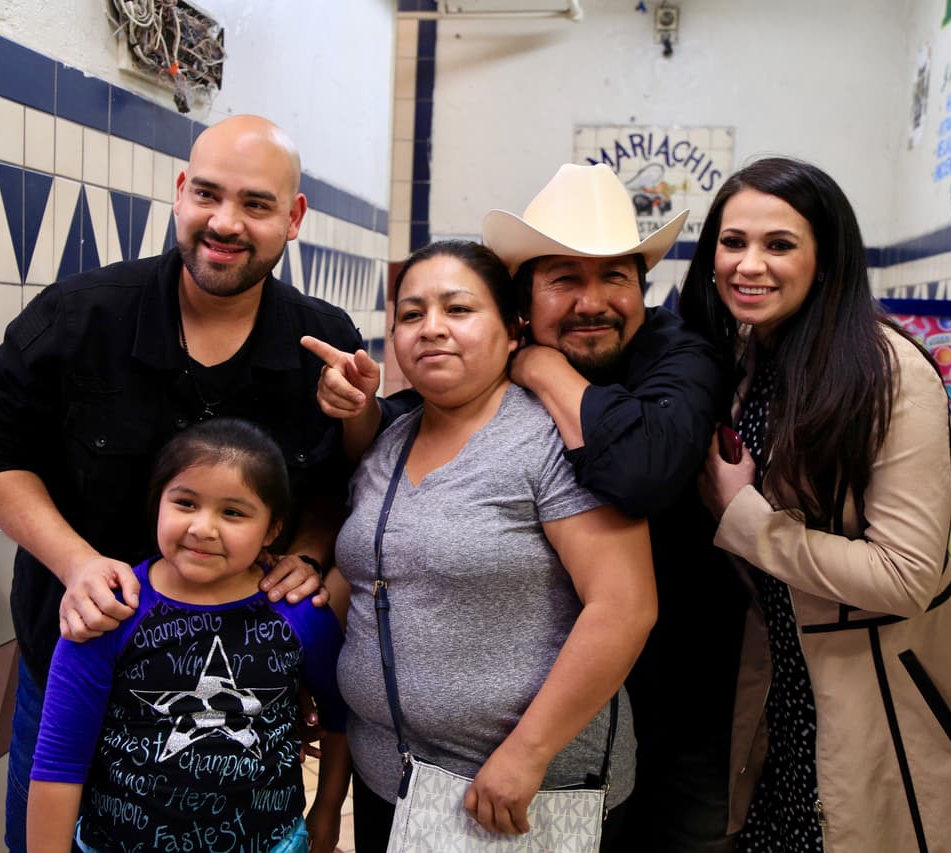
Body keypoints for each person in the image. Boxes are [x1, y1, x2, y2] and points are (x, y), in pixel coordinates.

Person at [0, 115, 358, 852]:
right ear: (179, 192)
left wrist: (308, 547)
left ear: (293, 218)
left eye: (257, 204)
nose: (225, 222)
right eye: (207, 194)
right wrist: (78, 566)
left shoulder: (320, 346)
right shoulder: (77, 319)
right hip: (78, 659)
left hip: (235, 691)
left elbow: (342, 484)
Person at [309, 163, 745, 852]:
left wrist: (544, 369)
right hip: (395, 778)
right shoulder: (402, 429)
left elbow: (633, 527)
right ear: (529, 304)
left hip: (590, 747)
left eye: (458, 309)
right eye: (566, 279)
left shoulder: (632, 389)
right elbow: (379, 556)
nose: (592, 301)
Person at [680, 156, 951, 851]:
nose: (749, 264)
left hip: (892, 692)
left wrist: (746, 521)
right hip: (791, 692)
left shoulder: (886, 371)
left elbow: (907, 575)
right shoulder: (750, 362)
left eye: (779, 244)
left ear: (825, 260)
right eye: (732, 241)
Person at [327, 239, 656, 851]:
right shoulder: (388, 442)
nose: (432, 330)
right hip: (390, 783)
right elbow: (372, 569)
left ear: (513, 333)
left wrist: (526, 755)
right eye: (411, 314)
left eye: (458, 310)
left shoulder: (555, 439)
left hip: (524, 794)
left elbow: (625, 605)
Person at [27, 418, 350, 853]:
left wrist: (327, 811)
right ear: (157, 503)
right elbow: (59, 761)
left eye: (233, 512)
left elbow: (338, 720)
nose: (203, 528)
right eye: (185, 503)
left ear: (273, 529)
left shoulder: (302, 612)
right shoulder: (108, 613)